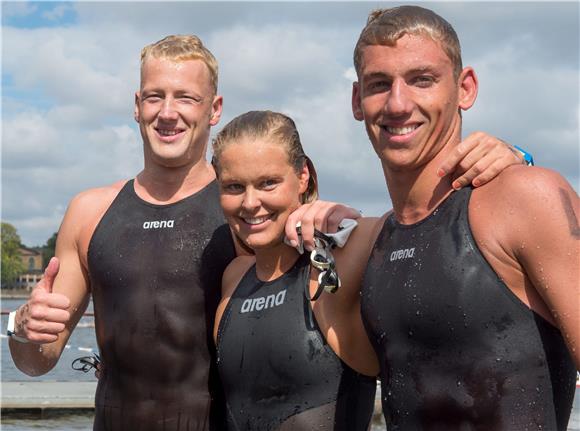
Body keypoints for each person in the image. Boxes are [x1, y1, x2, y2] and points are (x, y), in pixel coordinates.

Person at [6, 35, 524, 431]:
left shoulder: (246, 215)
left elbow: (414, 230)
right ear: (136, 103)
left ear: (213, 109)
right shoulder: (90, 211)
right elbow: (35, 361)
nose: (168, 112)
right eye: (155, 97)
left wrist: (512, 162)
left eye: (185, 97)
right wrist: (23, 329)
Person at [210, 110, 527, 430]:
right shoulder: (233, 277)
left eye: (268, 183)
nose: (250, 203)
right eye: (235, 187)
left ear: (303, 176)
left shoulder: (347, 254)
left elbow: (428, 225)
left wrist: (514, 158)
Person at [351, 6, 579, 430]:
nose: (398, 104)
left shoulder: (525, 197)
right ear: (357, 101)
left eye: (422, 79)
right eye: (379, 84)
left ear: (465, 88)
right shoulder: (373, 242)